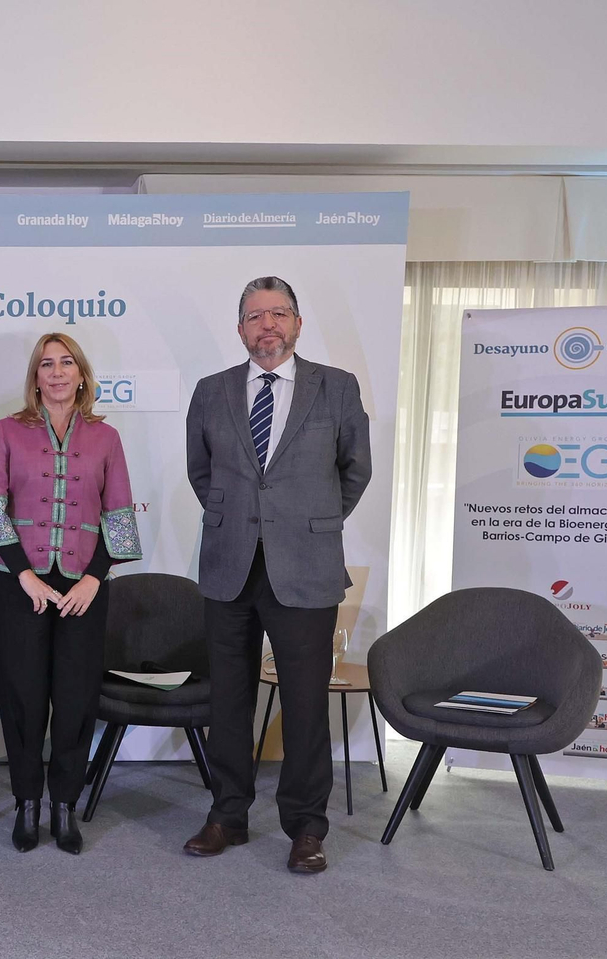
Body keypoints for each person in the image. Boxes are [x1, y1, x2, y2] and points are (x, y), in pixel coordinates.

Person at [182, 275, 371, 874]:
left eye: (279, 313)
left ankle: (305, 827)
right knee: (229, 700)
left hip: (306, 568)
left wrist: (308, 523)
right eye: (255, 316)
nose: (268, 325)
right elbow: (200, 471)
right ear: (239, 329)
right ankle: (228, 815)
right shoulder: (211, 392)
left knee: (306, 703)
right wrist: (244, 518)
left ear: (297, 324)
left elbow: (355, 471)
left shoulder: (336, 388)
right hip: (229, 566)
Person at [0, 333, 141, 854]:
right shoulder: (6, 431)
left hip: (84, 586)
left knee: (75, 697)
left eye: (66, 363)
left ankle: (64, 804)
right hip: (19, 583)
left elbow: (119, 516)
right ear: (35, 377)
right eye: (46, 364)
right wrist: (25, 576)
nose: (57, 372)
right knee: (23, 696)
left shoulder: (106, 438)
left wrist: (94, 578)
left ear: (82, 373)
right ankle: (27, 803)